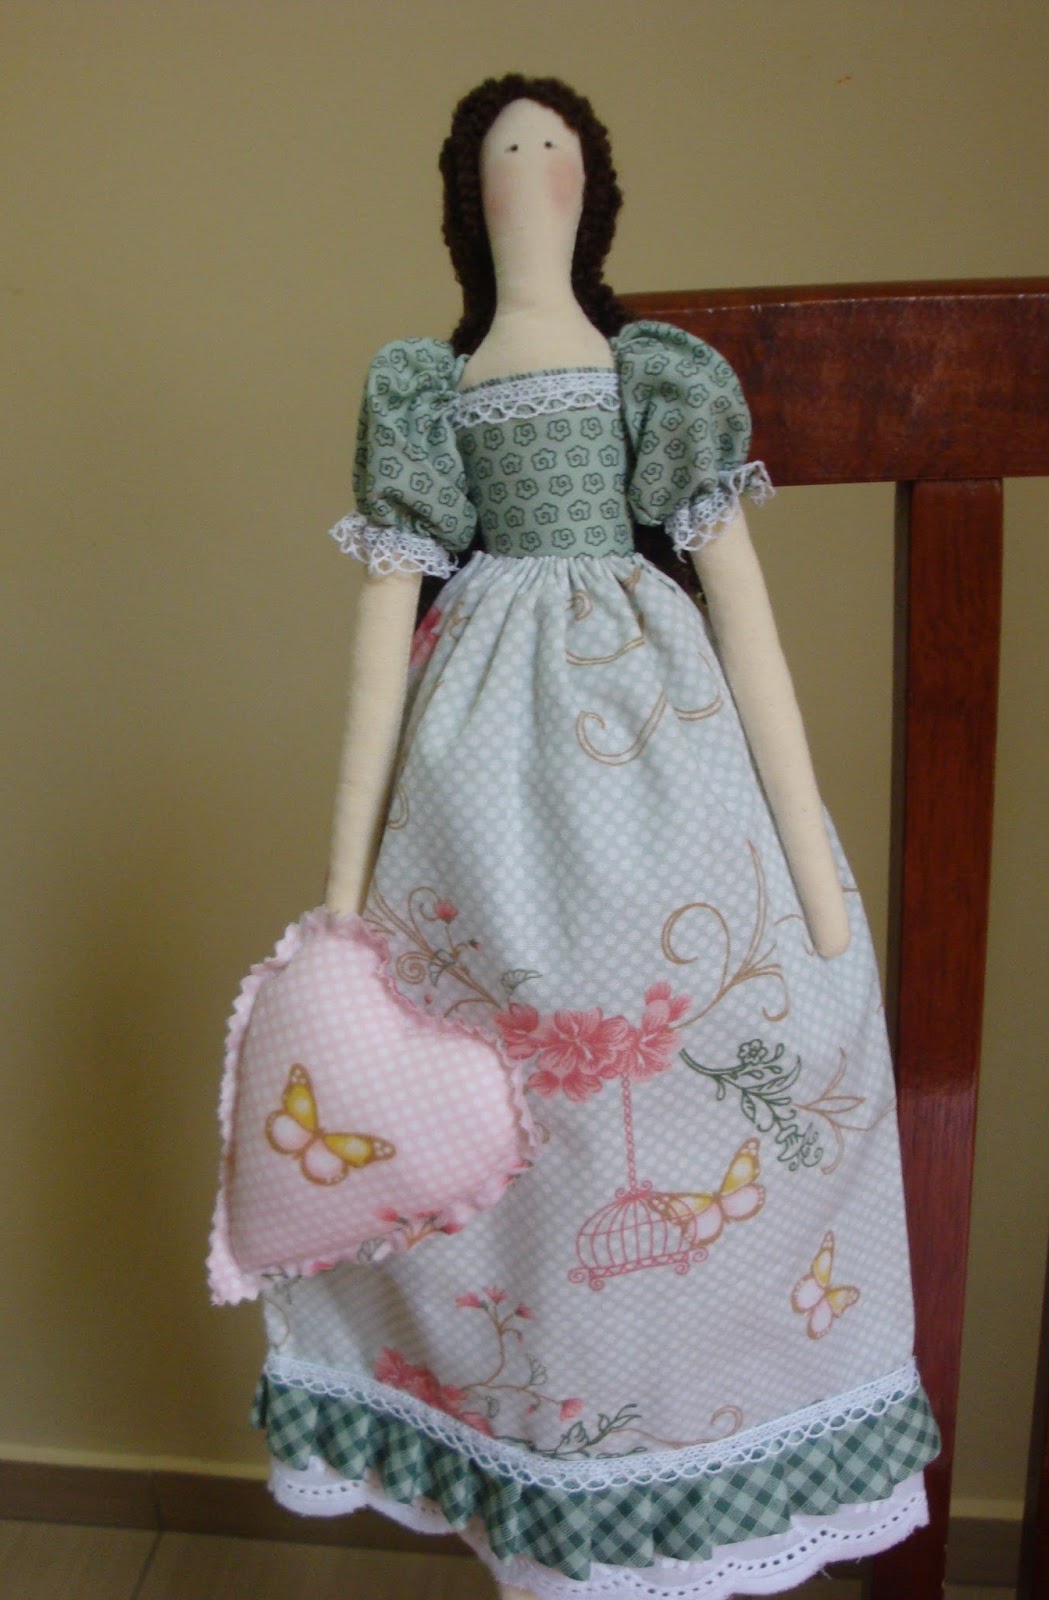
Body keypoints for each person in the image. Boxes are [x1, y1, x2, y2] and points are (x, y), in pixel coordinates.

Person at [250, 74, 941, 1600]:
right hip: (480, 770)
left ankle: (703, 1425)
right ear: (469, 197)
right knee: (486, 1089)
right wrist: (342, 900)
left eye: (548, 151)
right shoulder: (425, 389)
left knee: (707, 1065)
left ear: (588, 189)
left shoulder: (655, 376)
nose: (527, 173)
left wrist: (811, 879)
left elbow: (742, 616)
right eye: (504, 155)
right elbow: (381, 633)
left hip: (662, 729)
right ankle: (523, 1441)